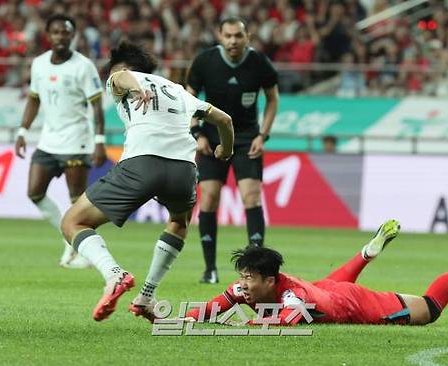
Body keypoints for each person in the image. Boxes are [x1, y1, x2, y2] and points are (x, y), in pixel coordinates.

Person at [60, 40, 234, 322]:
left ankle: (114, 275)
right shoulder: (178, 90)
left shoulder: (122, 77)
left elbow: (124, 78)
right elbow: (224, 120)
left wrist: (135, 87)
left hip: (142, 164)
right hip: (184, 170)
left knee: (72, 222)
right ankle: (146, 296)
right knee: (179, 222)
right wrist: (225, 149)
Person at [180, 219, 448, 326]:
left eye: (248, 278)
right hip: (326, 291)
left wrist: (239, 325)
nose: (241, 284)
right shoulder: (251, 289)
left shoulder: (291, 297)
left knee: (430, 309)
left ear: (270, 280)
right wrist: (171, 319)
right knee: (330, 288)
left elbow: (276, 324)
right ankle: (365, 253)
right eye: (242, 277)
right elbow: (209, 311)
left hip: (351, 302)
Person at [186, 16, 280, 284]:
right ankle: (210, 269)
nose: (232, 41)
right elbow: (188, 97)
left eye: (238, 36)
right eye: (227, 35)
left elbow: (273, 99)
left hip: (246, 137)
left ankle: (256, 266)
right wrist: (196, 132)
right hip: (212, 137)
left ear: (247, 36)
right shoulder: (205, 61)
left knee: (251, 197)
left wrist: (263, 134)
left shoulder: (260, 62)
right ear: (219, 36)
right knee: (209, 198)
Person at [15, 14, 106, 269]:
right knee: (35, 192)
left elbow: (97, 105)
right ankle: (69, 238)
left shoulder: (83, 66)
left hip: (77, 140)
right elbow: (34, 99)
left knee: (76, 199)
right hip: (48, 141)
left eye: (65, 32)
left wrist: (99, 141)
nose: (60, 37)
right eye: (56, 32)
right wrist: (22, 131)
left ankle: (83, 248)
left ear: (73, 35)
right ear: (48, 34)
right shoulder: (39, 64)